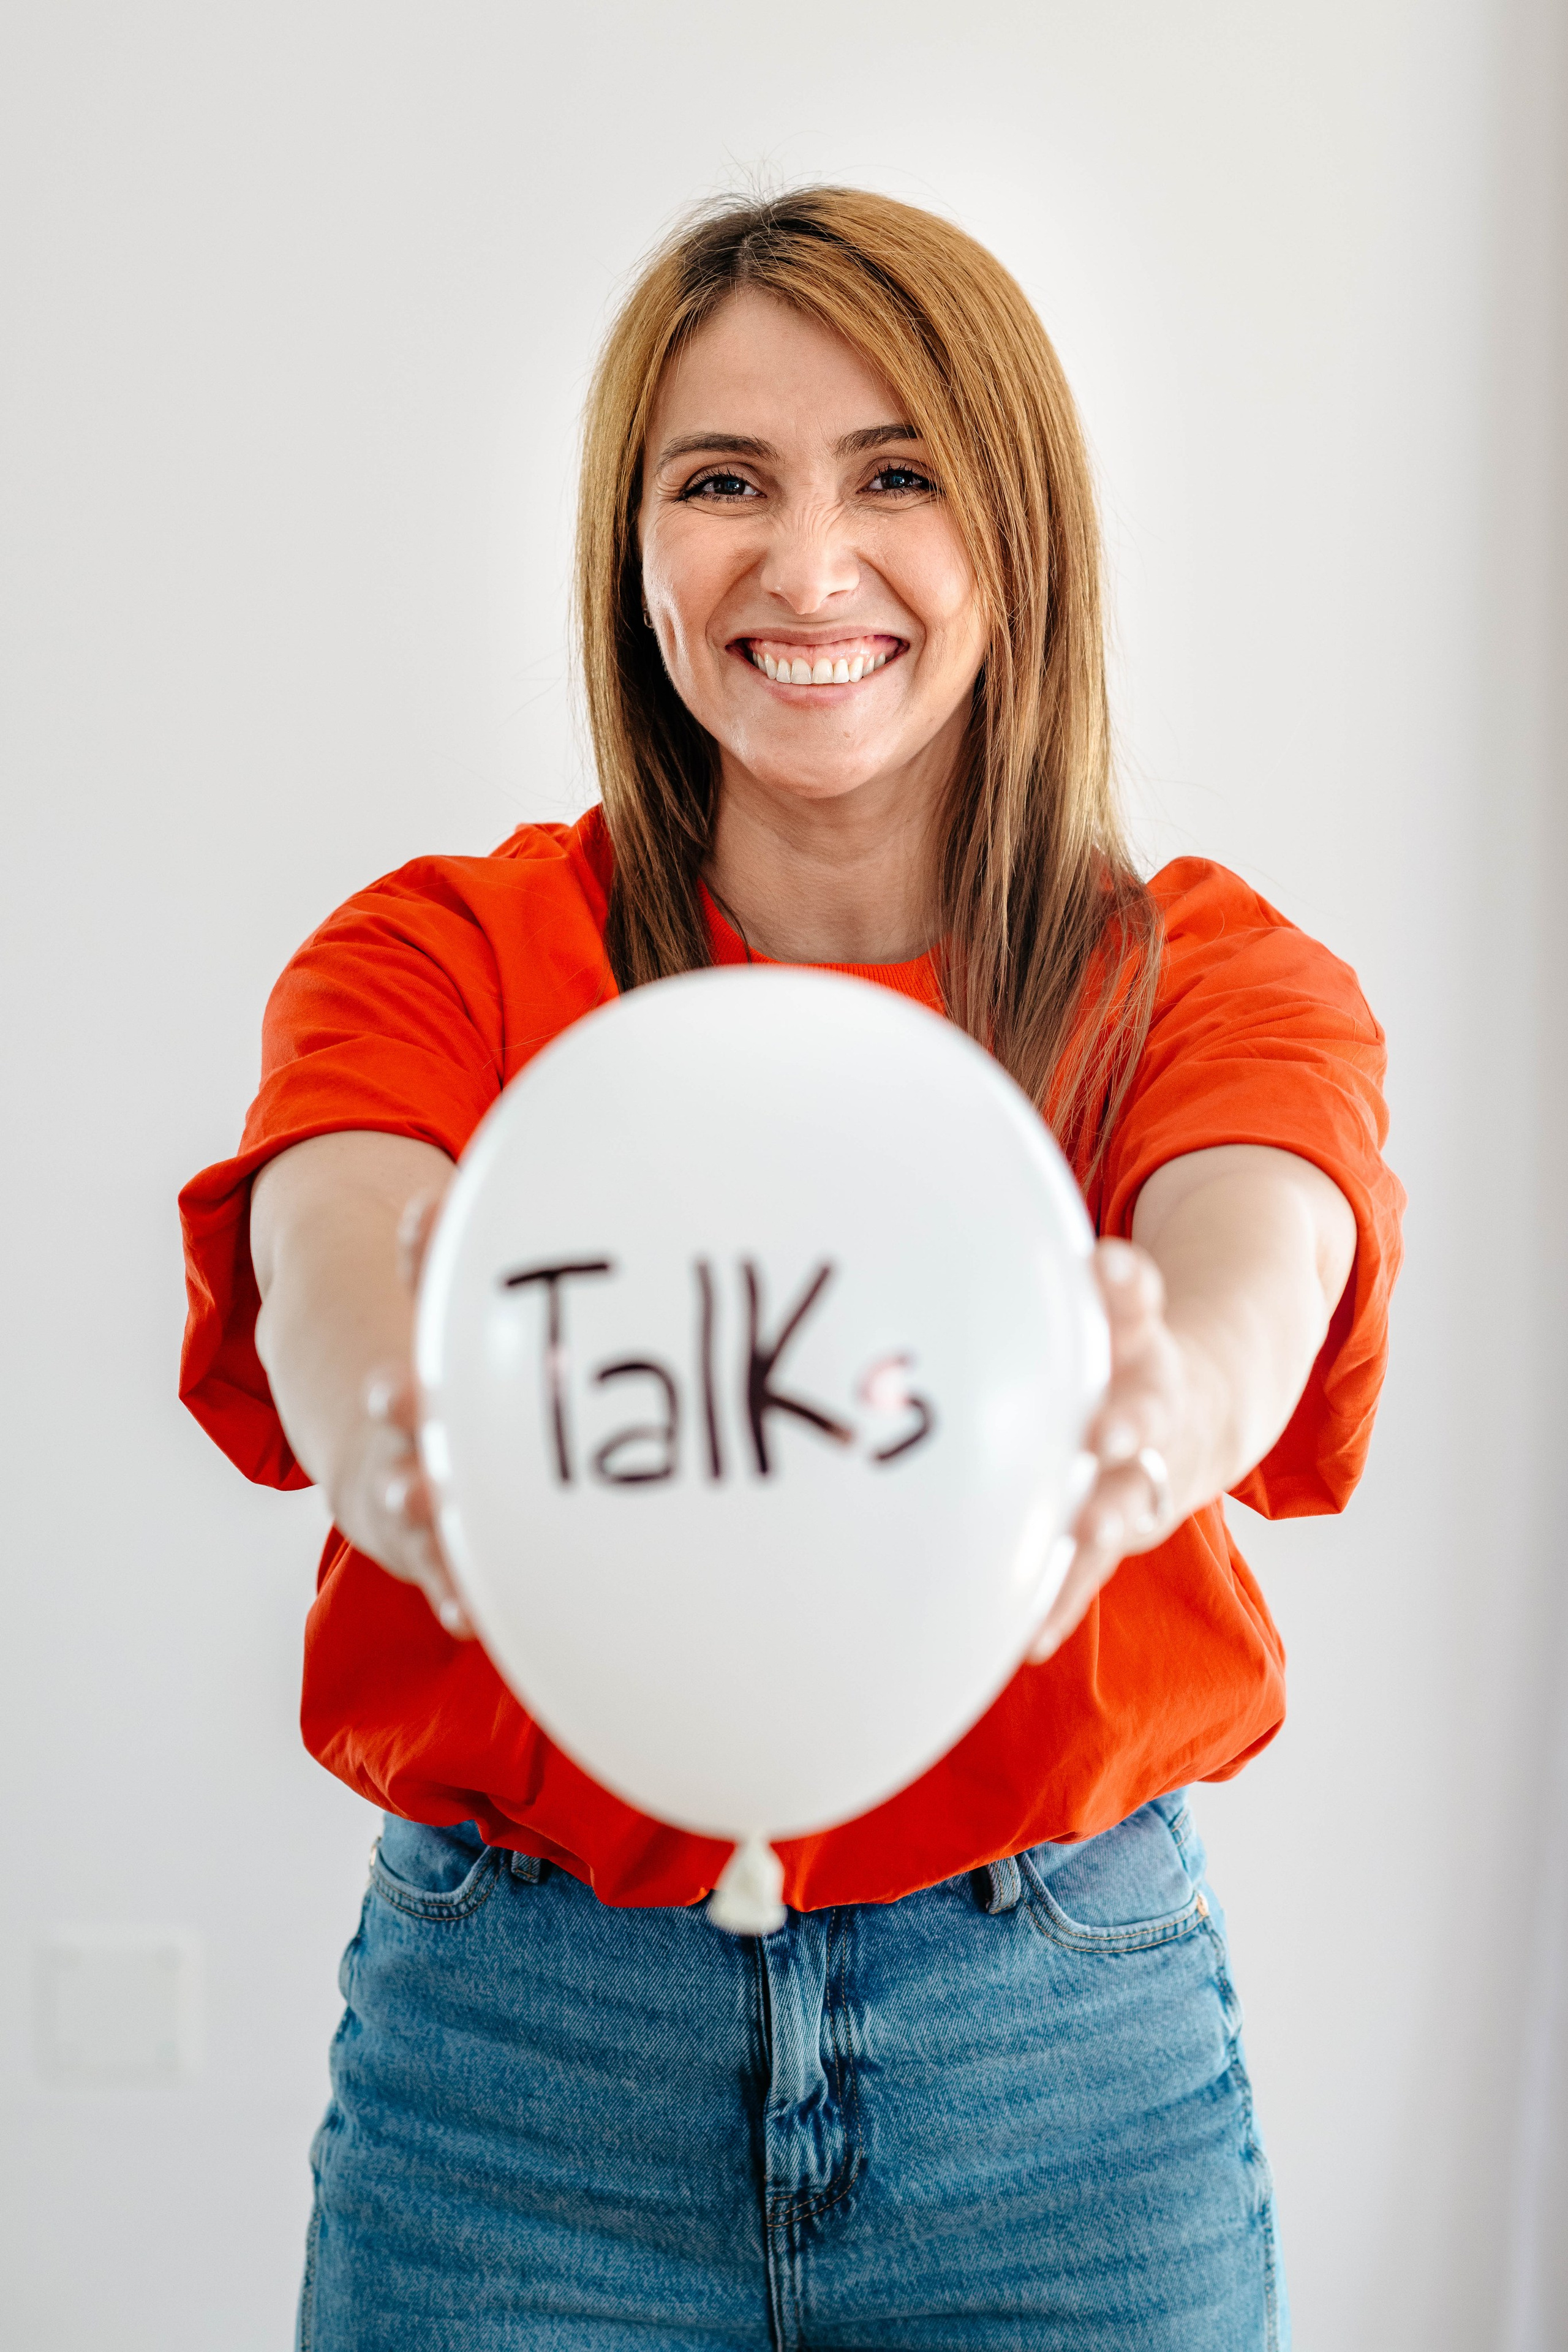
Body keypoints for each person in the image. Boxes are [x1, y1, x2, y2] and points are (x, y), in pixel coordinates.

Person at [179, 188, 1403, 2351]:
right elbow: (330, 1255)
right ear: (630, 545)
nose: (807, 565)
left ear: (1019, 529)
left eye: (899, 472)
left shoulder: (1203, 979)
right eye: (720, 481)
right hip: (517, 2074)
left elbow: (1259, 1246)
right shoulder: (444, 959)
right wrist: (414, 1428)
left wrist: (1161, 1397)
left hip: (1062, 2070)